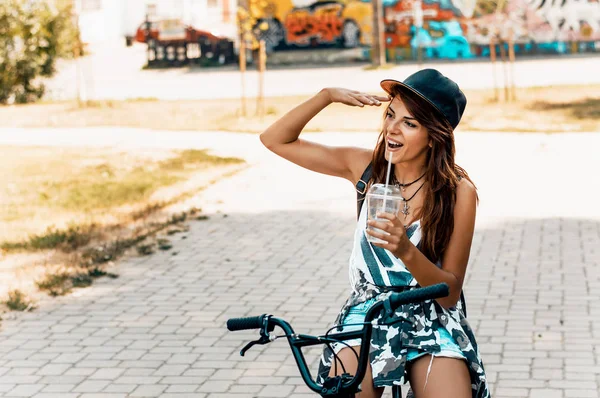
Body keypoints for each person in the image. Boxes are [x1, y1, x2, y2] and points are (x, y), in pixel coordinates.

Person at [259, 69, 490, 398]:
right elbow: (275, 139)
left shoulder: (457, 191)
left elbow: (449, 293)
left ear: (434, 135)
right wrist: (326, 96)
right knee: (346, 390)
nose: (392, 129)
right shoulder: (365, 168)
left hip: (428, 311)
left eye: (409, 123)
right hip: (367, 308)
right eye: (391, 115)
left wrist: (405, 250)